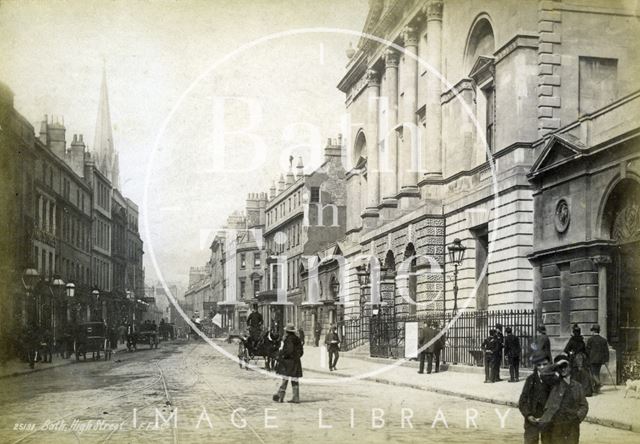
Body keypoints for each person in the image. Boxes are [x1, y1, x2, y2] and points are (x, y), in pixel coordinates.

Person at [537, 354, 589, 444]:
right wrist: (556, 365)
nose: (563, 369)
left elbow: (584, 405)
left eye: (565, 366)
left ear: (570, 367)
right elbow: (542, 374)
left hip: (572, 424)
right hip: (555, 423)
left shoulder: (577, 386)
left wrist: (577, 418)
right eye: (561, 367)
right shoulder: (554, 383)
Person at [518, 350, 553, 444]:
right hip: (532, 420)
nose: (542, 367)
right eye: (539, 365)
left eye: (545, 364)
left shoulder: (554, 381)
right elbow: (523, 401)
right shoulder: (530, 380)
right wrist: (528, 415)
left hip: (548, 421)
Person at [273, 323, 304, 403]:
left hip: (288, 362)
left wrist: (282, 355)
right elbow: (301, 352)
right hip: (296, 362)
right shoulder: (297, 339)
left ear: (287, 331)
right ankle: (296, 398)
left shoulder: (288, 339)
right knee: (295, 380)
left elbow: (289, 350)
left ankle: (280, 396)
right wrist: (296, 357)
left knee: (285, 379)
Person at [564, 324, 592, 397]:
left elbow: (566, 350)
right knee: (584, 375)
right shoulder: (582, 340)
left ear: (573, 332)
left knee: (574, 375)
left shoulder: (572, 340)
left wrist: (570, 353)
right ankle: (586, 392)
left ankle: (575, 392)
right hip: (582, 359)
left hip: (574, 360)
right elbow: (585, 350)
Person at [586, 324, 609, 395]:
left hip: (592, 359)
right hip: (600, 360)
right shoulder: (603, 340)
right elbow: (606, 351)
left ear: (593, 331)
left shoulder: (590, 340)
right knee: (597, 373)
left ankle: (599, 383)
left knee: (593, 374)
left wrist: (586, 358)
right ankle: (596, 390)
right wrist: (606, 360)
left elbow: (587, 350)